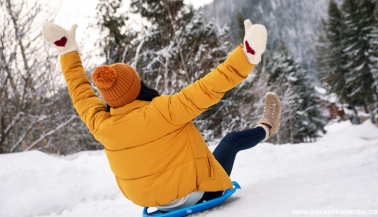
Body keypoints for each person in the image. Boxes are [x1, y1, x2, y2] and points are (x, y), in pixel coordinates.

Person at [41, 19, 281, 212]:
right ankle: (267, 125)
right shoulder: (163, 110)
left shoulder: (102, 124)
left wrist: (67, 51)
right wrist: (246, 56)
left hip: (156, 202)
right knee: (232, 141)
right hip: (197, 193)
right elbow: (209, 86)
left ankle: (265, 125)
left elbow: (80, 93)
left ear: (107, 99)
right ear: (137, 85)